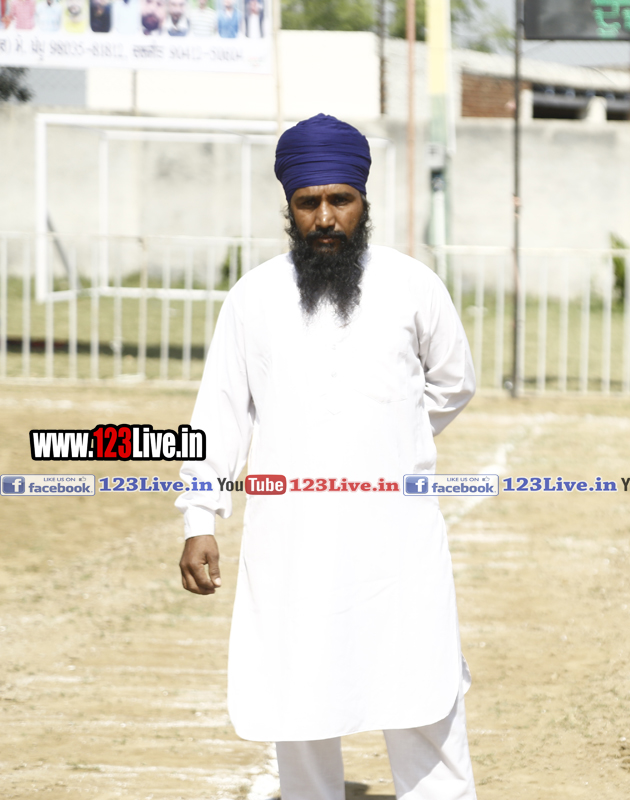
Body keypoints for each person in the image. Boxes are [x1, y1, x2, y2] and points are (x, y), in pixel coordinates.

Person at [174, 114, 478, 800]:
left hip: (395, 537)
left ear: (364, 201)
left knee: (421, 688)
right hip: (293, 537)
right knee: (300, 694)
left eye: (340, 199)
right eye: (308, 202)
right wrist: (199, 519)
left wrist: (391, 437)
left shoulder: (412, 285)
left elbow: (454, 382)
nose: (325, 217)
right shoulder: (253, 298)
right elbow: (219, 414)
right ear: (289, 207)